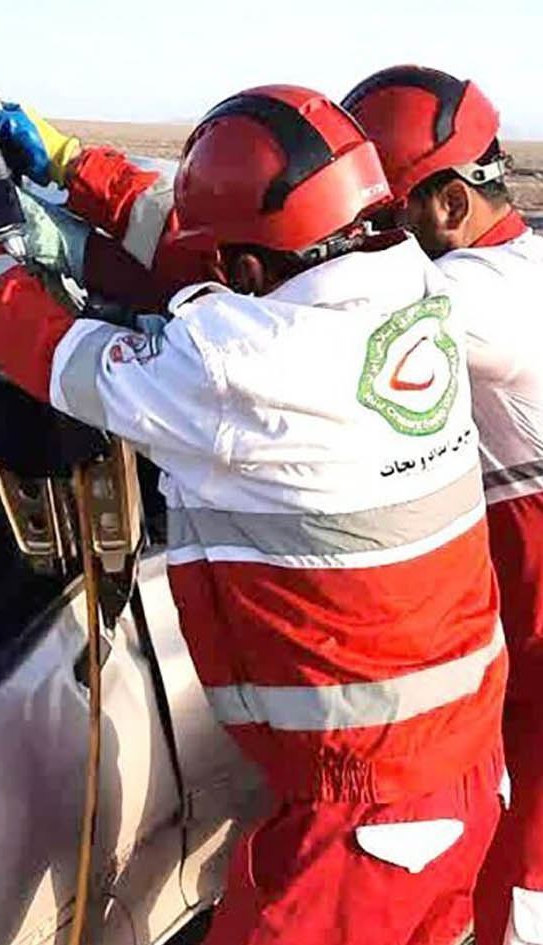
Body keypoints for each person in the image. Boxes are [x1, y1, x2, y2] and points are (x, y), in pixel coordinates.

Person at [0, 85, 506, 944]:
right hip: (447, 766)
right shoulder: (412, 287)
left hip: (364, 821)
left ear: (243, 273)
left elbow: (49, 349)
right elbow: (197, 244)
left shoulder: (238, 366)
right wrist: (70, 166)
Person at [342, 65, 543, 945]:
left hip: (535, 653)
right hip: (514, 643)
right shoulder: (520, 268)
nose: (365, 245)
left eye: (381, 222)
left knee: (522, 889)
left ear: (451, 202)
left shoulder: (478, 297)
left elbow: (310, 318)